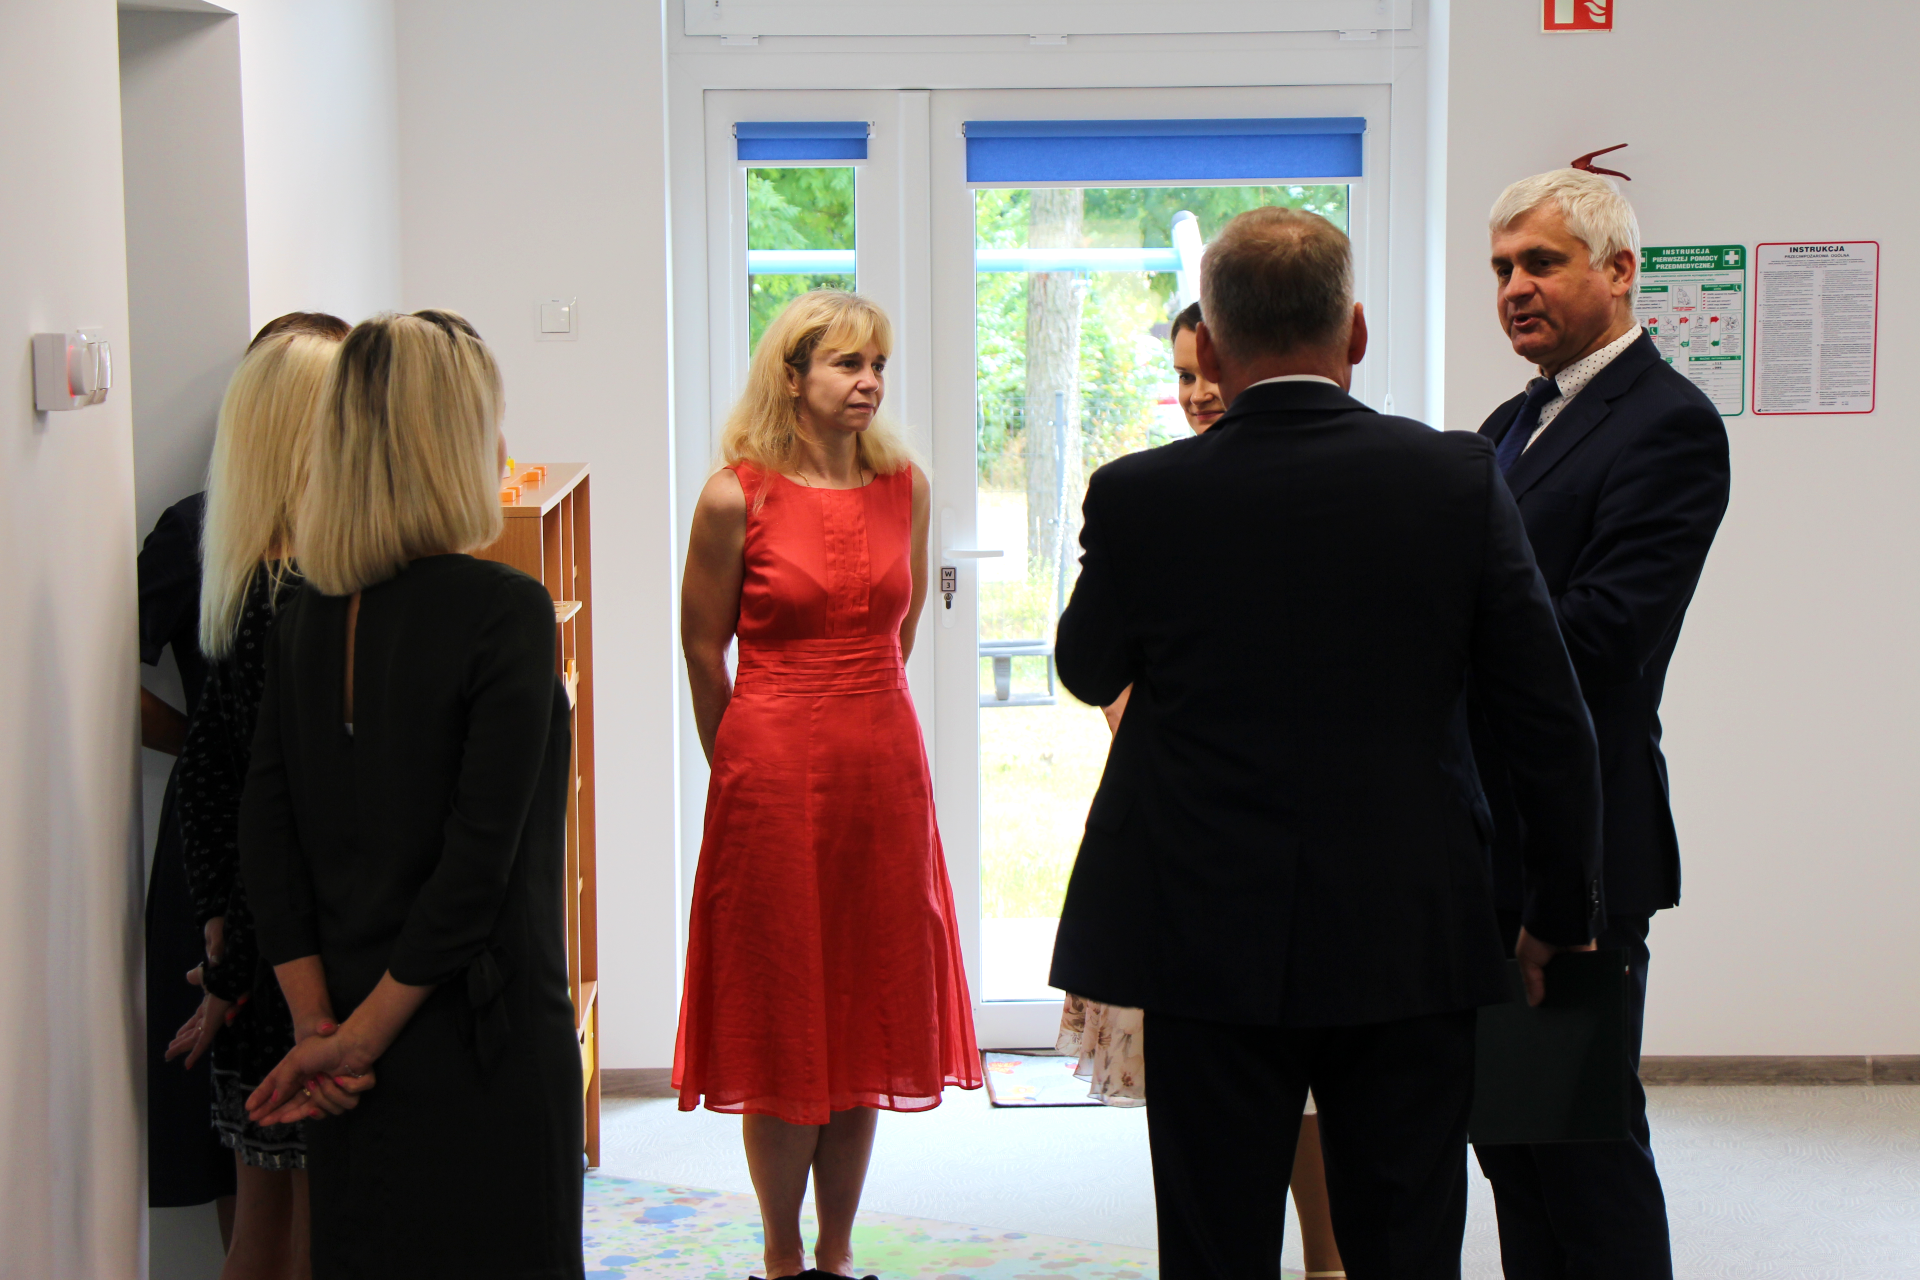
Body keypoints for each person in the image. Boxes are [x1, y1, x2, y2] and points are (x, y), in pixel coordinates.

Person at [1049, 207, 1606, 1280]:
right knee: (1406, 1237)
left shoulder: (1140, 495)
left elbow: (1084, 667)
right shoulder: (1455, 478)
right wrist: (1556, 915)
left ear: (1212, 349)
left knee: (1213, 1241)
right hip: (1411, 925)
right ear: (1355, 332)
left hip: (1203, 928)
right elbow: (1549, 712)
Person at [240, 310, 583, 1280]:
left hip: (350, 1052)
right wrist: (353, 1041)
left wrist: (320, 1028)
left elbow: (267, 836)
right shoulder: (505, 611)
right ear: (450, 443)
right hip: (481, 1040)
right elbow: (475, 870)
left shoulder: (303, 617)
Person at [674, 289, 981, 1280]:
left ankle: (837, 1253)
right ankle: (779, 1255)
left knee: (865, 1008)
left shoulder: (905, 486)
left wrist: (857, 708)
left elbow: (899, 630)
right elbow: (701, 645)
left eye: (877, 364)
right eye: (848, 363)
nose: (870, 382)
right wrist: (738, 763)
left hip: (883, 772)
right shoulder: (734, 496)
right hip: (769, 776)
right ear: (792, 374)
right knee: (781, 1012)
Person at [1470, 169, 1731, 1280]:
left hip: (1581, 843)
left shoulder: (1670, 423)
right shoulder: (1508, 423)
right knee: (1516, 1146)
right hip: (1491, 836)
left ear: (1619, 272)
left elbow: (1604, 633)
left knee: (1582, 1146)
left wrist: (1437, 649)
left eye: (1542, 262)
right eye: (1501, 268)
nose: (1515, 288)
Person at [1056, 298, 1346, 1280]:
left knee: (1310, 1093)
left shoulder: (1343, 483)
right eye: (1181, 376)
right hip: (1187, 846)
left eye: (1206, 370)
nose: (1197, 392)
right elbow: (1101, 674)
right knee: (1214, 1133)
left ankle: (1328, 1256)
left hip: (1304, 838)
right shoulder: (1150, 496)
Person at [166, 313, 349, 1280]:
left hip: (252, 950)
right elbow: (275, 821)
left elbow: (206, 780)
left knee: (264, 1225)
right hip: (297, 958)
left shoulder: (242, 586)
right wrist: (234, 966)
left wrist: (219, 949)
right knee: (312, 1230)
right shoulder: (302, 603)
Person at [141, 487, 236, 1233]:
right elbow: (103, 673)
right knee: (229, 1129)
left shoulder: (357, 514)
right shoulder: (195, 528)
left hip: (324, 840)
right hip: (212, 844)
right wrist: (198, 747)